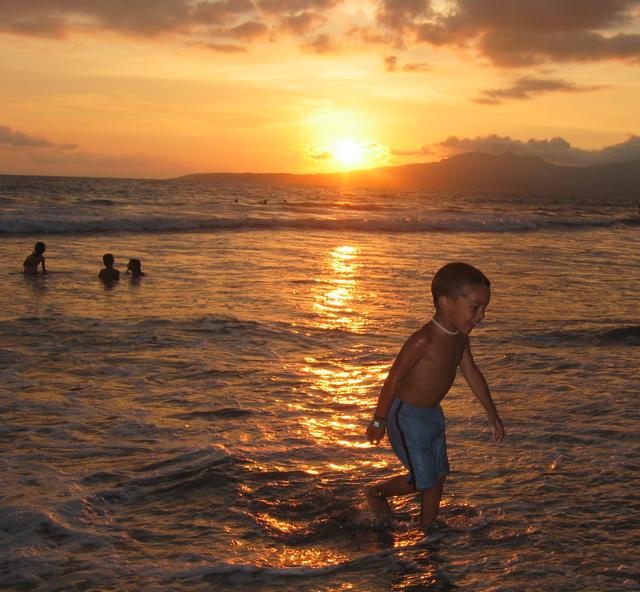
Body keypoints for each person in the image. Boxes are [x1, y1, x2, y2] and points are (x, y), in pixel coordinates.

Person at [365, 262, 505, 537]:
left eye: (485, 309)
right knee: (421, 480)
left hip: (432, 415)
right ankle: (376, 492)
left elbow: (472, 374)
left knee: (438, 476)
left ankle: (427, 528)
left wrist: (492, 414)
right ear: (445, 303)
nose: (482, 316)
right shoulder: (424, 339)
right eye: (475, 308)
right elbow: (393, 378)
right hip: (405, 415)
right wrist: (379, 420)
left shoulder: (460, 340)